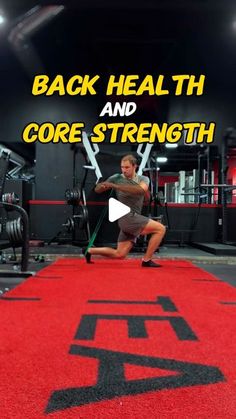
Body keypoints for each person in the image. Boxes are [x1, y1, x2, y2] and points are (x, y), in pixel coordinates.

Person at [84, 154, 166, 267]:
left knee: (120, 254)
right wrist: (102, 186)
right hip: (127, 217)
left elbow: (140, 190)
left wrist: (116, 186)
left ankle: (90, 251)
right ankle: (146, 260)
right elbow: (97, 190)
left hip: (131, 218)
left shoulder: (143, 179)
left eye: (127, 167)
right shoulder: (116, 178)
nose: (124, 170)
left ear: (134, 166)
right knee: (160, 229)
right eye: (122, 167)